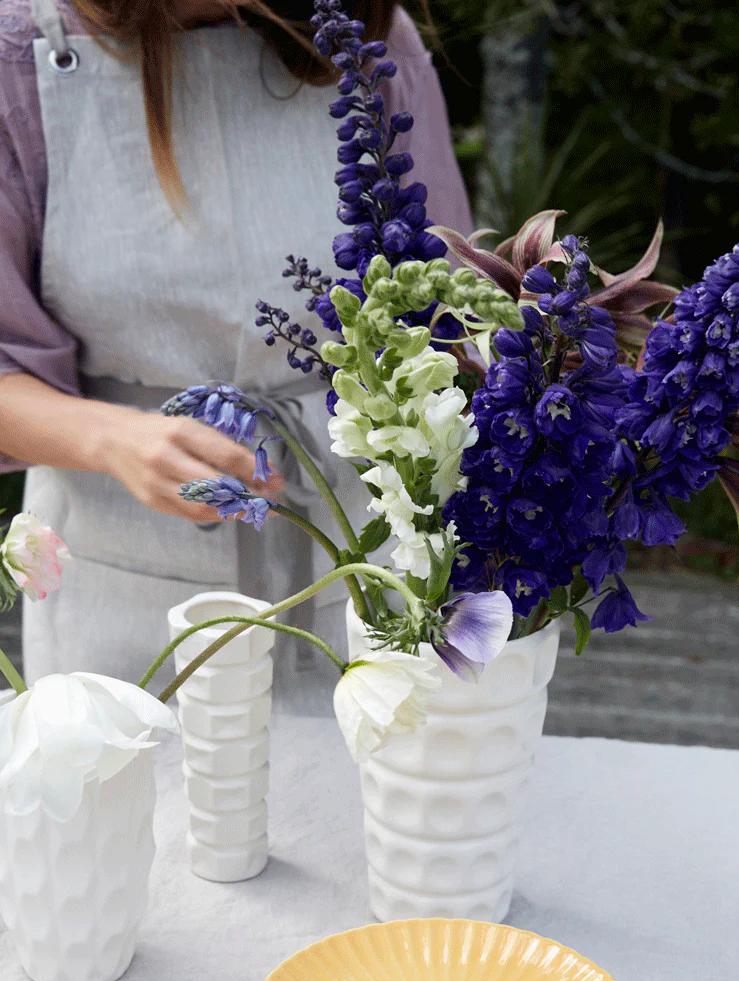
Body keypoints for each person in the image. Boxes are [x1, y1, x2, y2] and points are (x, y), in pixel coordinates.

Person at [0, 0, 470, 697]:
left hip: (379, 571)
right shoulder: (22, 51)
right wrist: (112, 438)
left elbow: (448, 311)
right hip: (124, 591)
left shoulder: (365, 32)